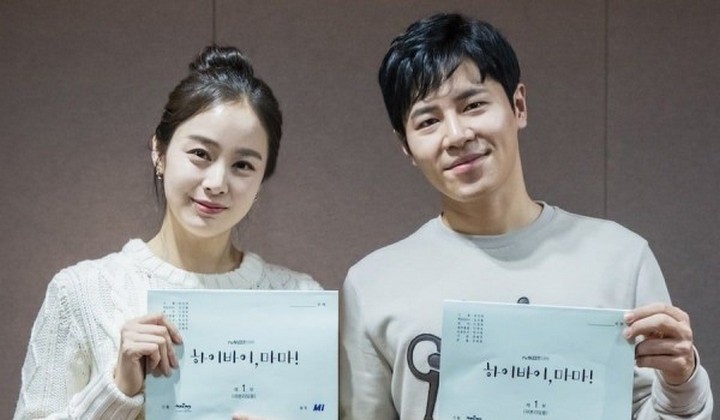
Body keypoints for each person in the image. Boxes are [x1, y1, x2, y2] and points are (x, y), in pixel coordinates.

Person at [339, 13, 713, 419]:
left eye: (473, 105)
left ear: (518, 105)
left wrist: (682, 383)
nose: (457, 135)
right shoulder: (373, 284)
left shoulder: (621, 259)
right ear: (407, 147)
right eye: (428, 121)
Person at [14, 45, 321, 420]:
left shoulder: (301, 300)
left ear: (260, 182)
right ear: (159, 152)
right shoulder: (80, 292)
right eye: (201, 154)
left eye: (243, 165)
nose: (217, 183)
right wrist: (117, 390)